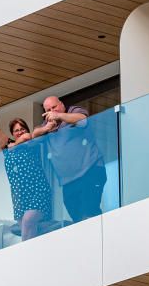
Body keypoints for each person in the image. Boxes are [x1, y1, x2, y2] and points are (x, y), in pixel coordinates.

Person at [31, 95, 106, 223]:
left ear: (61, 104)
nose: (52, 111)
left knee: (90, 212)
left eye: (54, 107)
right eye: (48, 109)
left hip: (91, 170)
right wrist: (46, 128)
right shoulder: (48, 124)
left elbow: (83, 120)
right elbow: (34, 136)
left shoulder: (72, 111)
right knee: (77, 218)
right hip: (69, 181)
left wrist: (60, 116)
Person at [0, 94, 52, 240]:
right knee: (26, 228)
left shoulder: (29, 142)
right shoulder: (7, 146)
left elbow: (28, 137)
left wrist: (16, 143)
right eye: (16, 130)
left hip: (38, 190)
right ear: (12, 133)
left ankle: (27, 256)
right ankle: (31, 255)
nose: (20, 132)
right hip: (19, 195)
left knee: (29, 221)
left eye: (22, 128)